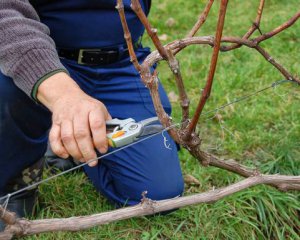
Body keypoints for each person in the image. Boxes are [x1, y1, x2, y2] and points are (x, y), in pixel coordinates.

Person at [0, 0, 184, 230]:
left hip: (122, 65)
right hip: (40, 58)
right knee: (5, 88)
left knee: (160, 195)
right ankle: (16, 184)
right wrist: (63, 95)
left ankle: (72, 143)